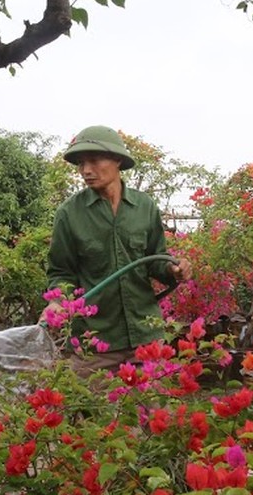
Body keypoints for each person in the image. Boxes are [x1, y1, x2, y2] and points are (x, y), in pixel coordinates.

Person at [46, 125, 192, 372]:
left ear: (118, 160)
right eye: (81, 163)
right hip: (94, 342)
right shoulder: (69, 214)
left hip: (145, 335)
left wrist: (173, 268)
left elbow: (154, 259)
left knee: (152, 410)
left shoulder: (144, 206)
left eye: (94, 160)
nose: (86, 170)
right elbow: (61, 272)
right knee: (94, 409)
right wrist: (58, 300)